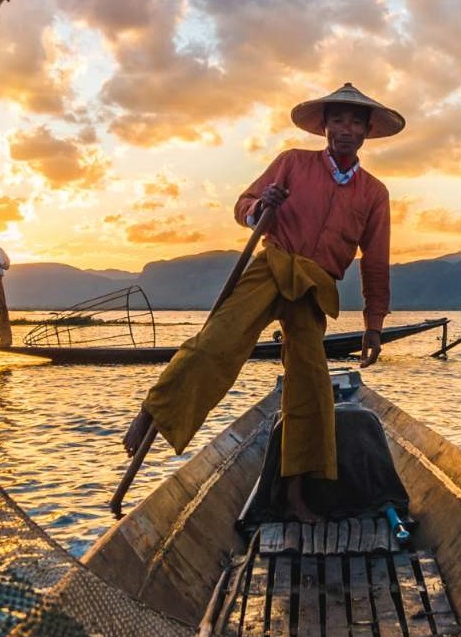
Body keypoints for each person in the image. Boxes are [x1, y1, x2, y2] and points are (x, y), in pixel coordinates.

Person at [121, 82, 402, 521]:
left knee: (310, 386)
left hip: (314, 285)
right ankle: (154, 410)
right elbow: (244, 204)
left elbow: (376, 263)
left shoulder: (374, 193)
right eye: (337, 120)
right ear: (325, 127)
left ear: (366, 131)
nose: (345, 129)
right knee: (219, 341)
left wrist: (374, 324)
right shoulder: (292, 162)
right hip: (271, 265)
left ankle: (295, 494)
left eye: (354, 122)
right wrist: (259, 206)